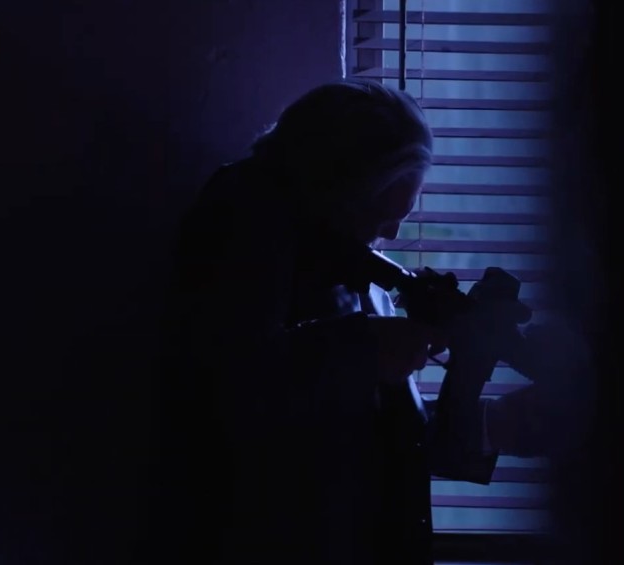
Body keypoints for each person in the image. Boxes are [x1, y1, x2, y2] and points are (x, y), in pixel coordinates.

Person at [146, 78, 586, 565]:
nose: (391, 233)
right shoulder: (246, 216)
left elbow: (363, 437)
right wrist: (368, 347)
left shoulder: (346, 260)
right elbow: (228, 390)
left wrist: (497, 423)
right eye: (378, 211)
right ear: (331, 184)